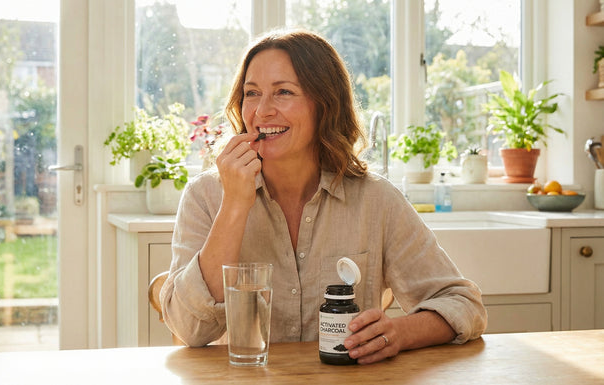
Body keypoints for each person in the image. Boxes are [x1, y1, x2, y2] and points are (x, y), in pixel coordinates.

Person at [160, 29, 487, 365]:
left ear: (325, 104)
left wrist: (399, 333)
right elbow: (189, 329)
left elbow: (464, 304)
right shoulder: (206, 196)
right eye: (252, 93)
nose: (262, 111)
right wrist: (234, 207)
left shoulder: (376, 200)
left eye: (284, 92)